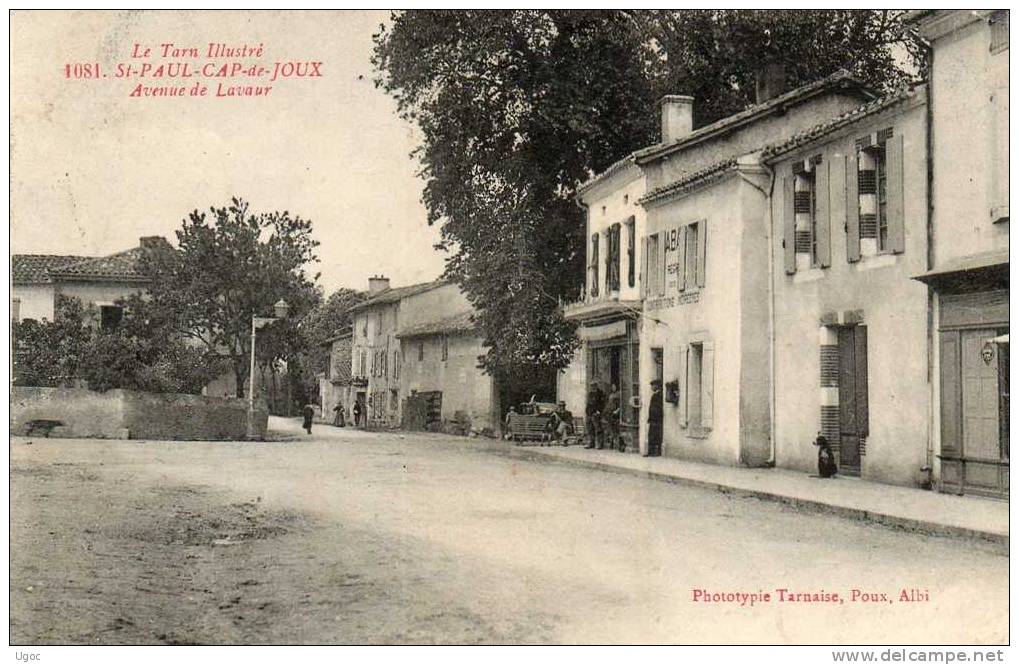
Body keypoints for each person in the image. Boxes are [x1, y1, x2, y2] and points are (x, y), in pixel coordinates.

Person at [585, 382, 605, 449]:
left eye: (594, 386)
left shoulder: (600, 393)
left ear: (596, 386)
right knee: (590, 429)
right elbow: (588, 404)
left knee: (598, 429)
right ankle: (591, 443)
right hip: (589, 413)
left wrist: (598, 411)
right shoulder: (590, 394)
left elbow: (602, 404)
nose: (592, 387)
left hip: (596, 413)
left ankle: (599, 444)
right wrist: (587, 412)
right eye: (591, 386)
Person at [646, 379, 663, 456]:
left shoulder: (659, 395)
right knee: (652, 435)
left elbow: (657, 408)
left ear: (657, 386)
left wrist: (654, 418)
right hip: (653, 419)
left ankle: (654, 452)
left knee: (654, 435)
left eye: (653, 385)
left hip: (656, 419)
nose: (651, 387)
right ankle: (651, 452)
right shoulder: (655, 395)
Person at [603, 384, 621, 451]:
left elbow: (620, 404)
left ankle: (616, 444)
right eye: (612, 387)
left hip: (615, 413)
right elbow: (608, 404)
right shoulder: (610, 395)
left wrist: (617, 411)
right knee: (610, 428)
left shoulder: (619, 394)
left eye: (614, 386)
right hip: (609, 413)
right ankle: (611, 443)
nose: (613, 388)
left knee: (615, 429)